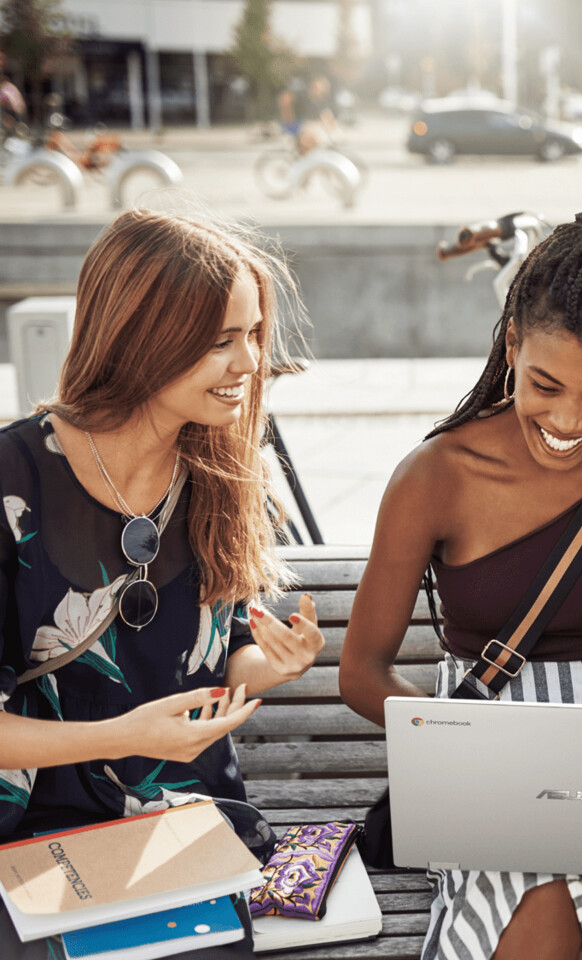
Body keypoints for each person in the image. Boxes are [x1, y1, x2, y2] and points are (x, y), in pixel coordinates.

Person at [339, 170, 582, 960]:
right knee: (536, 904)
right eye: (544, 385)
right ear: (510, 344)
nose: (569, 420)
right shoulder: (434, 474)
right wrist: (462, 747)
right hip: (475, 748)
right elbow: (361, 671)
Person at [0, 210, 325, 953]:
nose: (249, 362)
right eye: (220, 341)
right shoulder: (11, 482)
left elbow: (210, 670)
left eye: (251, 335)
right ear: (142, 339)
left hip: (180, 822)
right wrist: (120, 737)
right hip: (29, 832)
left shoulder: (225, 475)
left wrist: (264, 666)